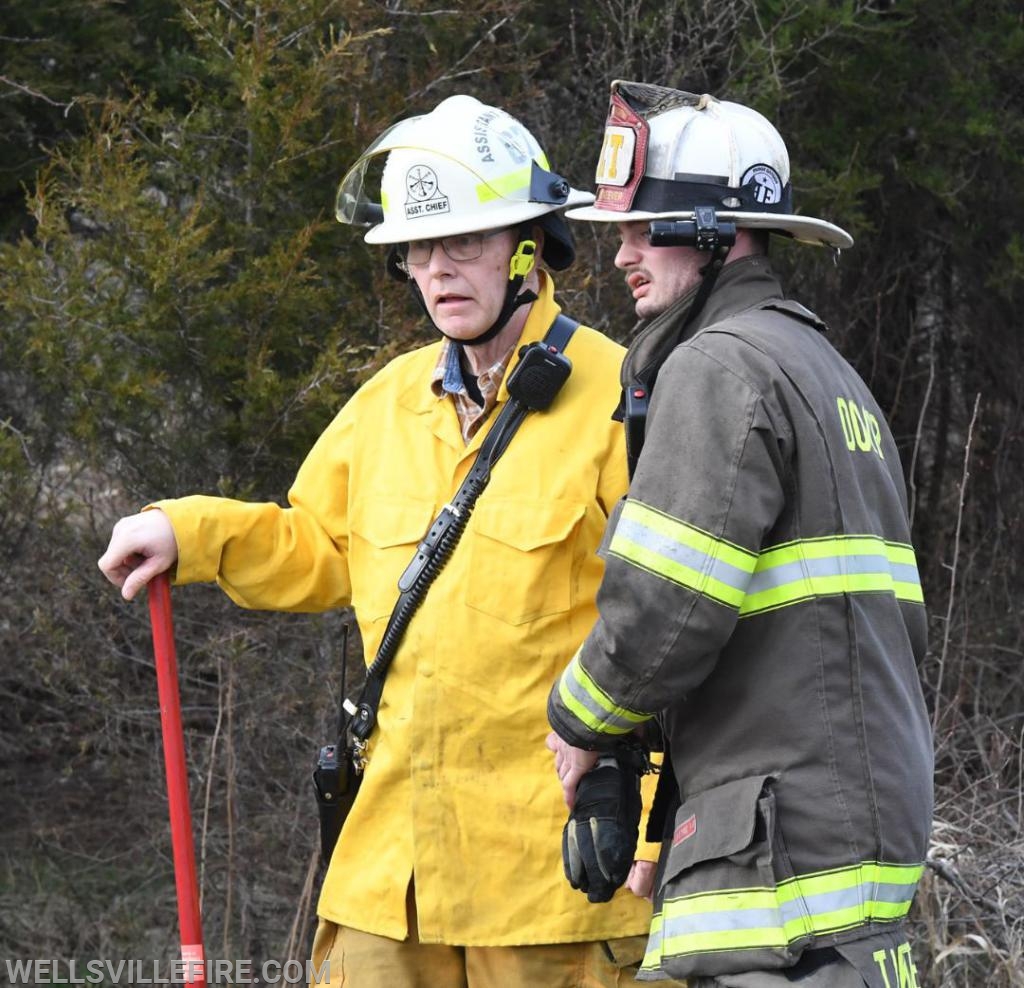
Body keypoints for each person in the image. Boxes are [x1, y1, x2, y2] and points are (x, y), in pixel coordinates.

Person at [98, 94, 681, 988]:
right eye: (416, 250)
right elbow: (320, 549)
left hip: (553, 880)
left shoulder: (621, 395)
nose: (436, 271)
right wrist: (192, 532)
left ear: (528, 248)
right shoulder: (387, 403)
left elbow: (677, 617)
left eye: (462, 245)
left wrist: (652, 823)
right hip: (390, 874)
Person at [545, 81, 934, 988]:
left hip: (780, 872)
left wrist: (581, 720)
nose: (623, 256)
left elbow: (665, 611)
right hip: (847, 859)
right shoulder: (829, 375)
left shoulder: (717, 368)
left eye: (647, 228)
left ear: (720, 232)